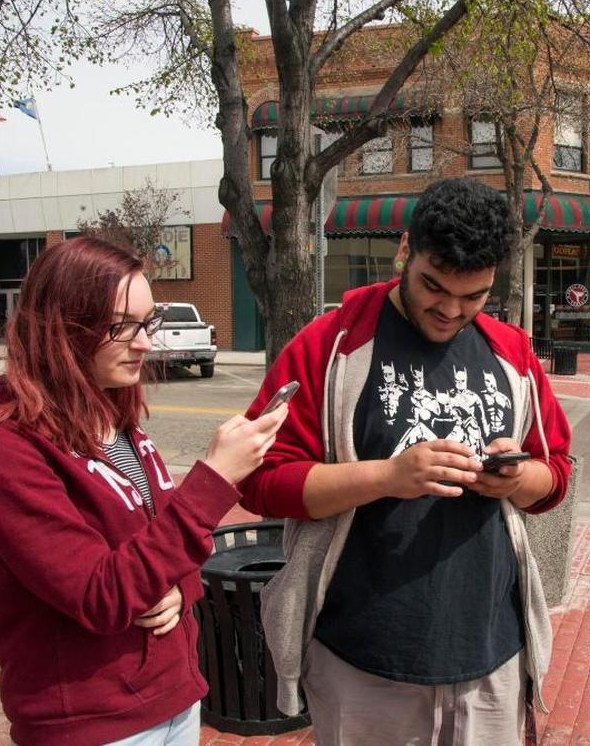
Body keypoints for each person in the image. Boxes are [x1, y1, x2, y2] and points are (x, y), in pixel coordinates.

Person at [239, 177, 573, 745]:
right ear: (404, 249)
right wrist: (389, 476)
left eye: (474, 296)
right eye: (433, 287)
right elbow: (258, 480)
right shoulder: (331, 344)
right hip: (363, 653)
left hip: (491, 647)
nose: (450, 310)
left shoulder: (511, 353)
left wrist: (517, 479)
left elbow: (555, 474)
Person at [0, 237, 288, 746]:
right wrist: (212, 480)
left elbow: (173, 549)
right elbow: (100, 594)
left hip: (174, 695)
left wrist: (177, 588)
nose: (144, 343)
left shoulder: (112, 416)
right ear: (61, 325)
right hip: (90, 719)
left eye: (148, 323)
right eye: (120, 325)